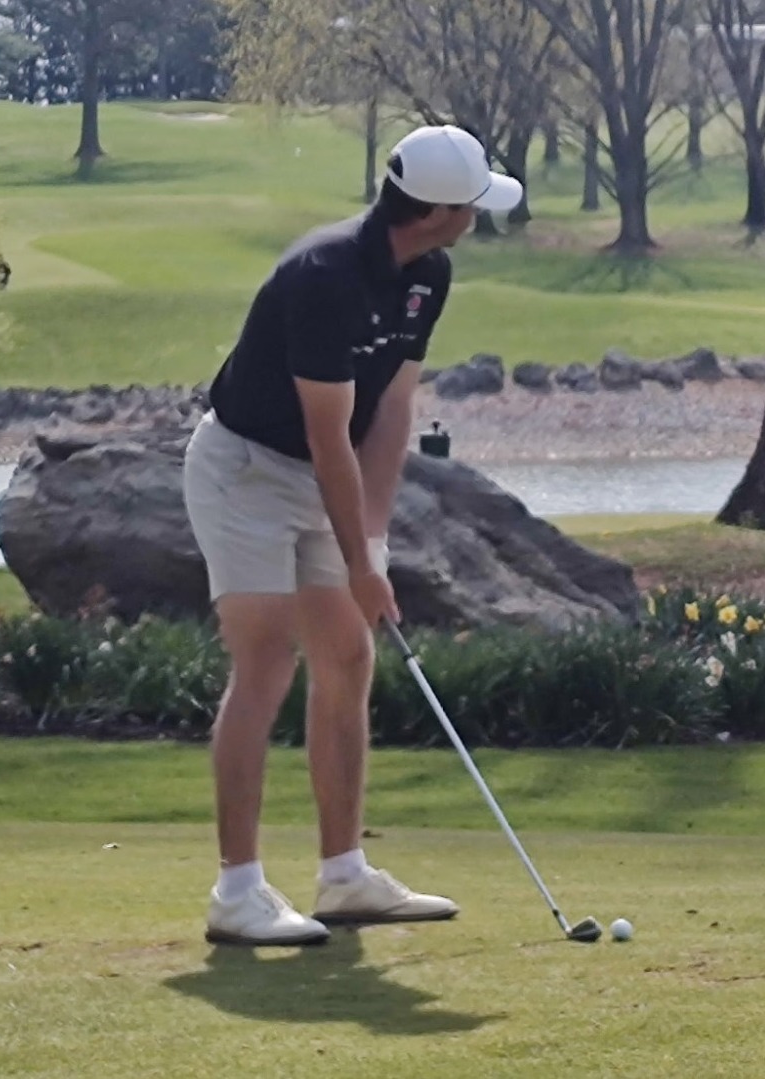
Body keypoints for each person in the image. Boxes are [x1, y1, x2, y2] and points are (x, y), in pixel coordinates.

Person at [182, 125, 524, 947]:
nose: (478, 218)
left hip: (317, 474)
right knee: (265, 660)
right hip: (245, 471)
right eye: (472, 205)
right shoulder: (324, 276)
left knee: (347, 655)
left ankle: (343, 877)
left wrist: (369, 546)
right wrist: (361, 560)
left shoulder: (427, 275)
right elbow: (327, 433)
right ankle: (237, 890)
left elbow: (391, 412)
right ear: (439, 210)